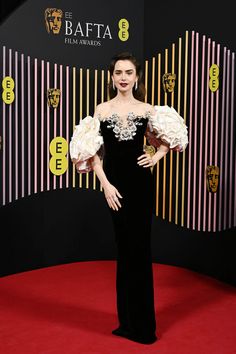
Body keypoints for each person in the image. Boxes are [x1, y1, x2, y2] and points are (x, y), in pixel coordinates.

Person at [69, 52, 188, 344]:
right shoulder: (101, 110)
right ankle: (127, 323)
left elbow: (170, 138)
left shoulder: (148, 110)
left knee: (141, 251)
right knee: (124, 252)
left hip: (140, 186)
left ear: (136, 77)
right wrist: (106, 186)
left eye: (129, 72)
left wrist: (156, 156)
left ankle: (144, 328)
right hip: (115, 187)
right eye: (118, 72)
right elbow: (92, 153)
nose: (123, 77)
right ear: (112, 77)